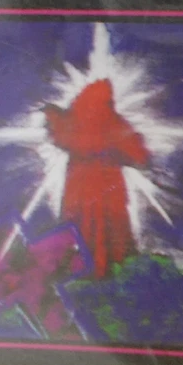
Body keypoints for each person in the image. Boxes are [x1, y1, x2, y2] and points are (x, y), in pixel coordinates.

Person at [44, 78, 149, 278]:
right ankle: (108, 273)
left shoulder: (74, 121)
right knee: (111, 232)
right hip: (109, 190)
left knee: (80, 229)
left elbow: (59, 133)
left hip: (79, 191)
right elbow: (140, 156)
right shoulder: (114, 122)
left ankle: (82, 272)